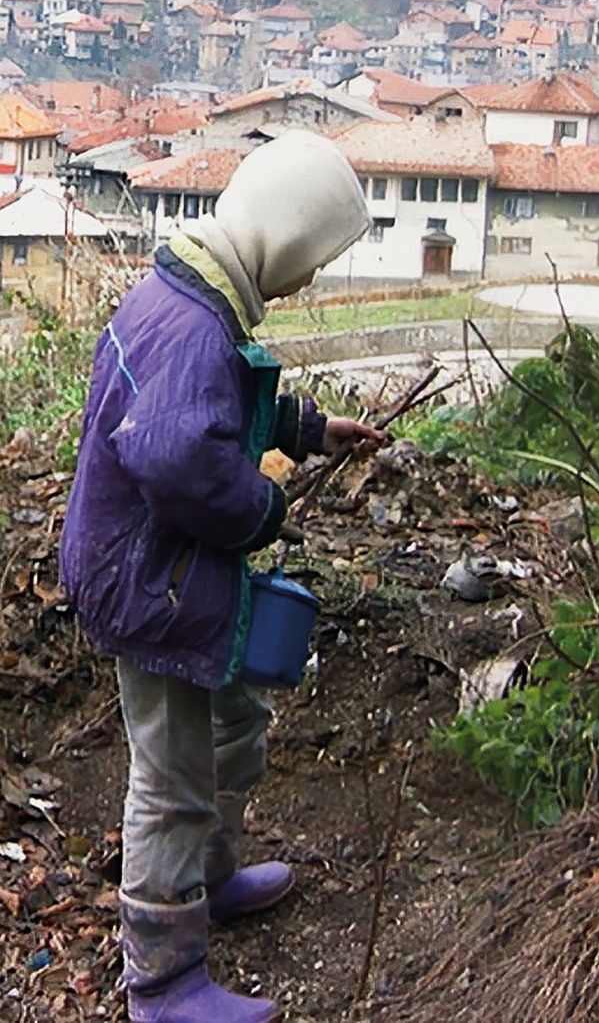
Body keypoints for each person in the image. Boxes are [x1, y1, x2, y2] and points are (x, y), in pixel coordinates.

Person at [60, 130, 384, 1022]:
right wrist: (261, 508)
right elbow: (174, 455)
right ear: (281, 234)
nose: (308, 279)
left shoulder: (192, 293)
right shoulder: (196, 327)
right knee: (169, 776)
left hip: (167, 570)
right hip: (147, 583)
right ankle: (162, 981)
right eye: (310, 258)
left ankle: (206, 877)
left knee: (236, 712)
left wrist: (309, 429)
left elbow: (216, 406)